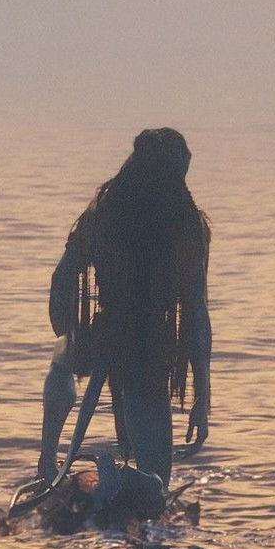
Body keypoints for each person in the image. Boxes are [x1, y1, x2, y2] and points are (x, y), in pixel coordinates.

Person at [37, 127, 211, 486]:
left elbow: (61, 278)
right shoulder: (186, 226)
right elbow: (197, 315)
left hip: (107, 332)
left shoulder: (104, 213)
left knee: (62, 357)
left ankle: (47, 461)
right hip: (152, 346)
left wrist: (65, 333)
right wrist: (202, 398)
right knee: (155, 475)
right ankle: (141, 489)